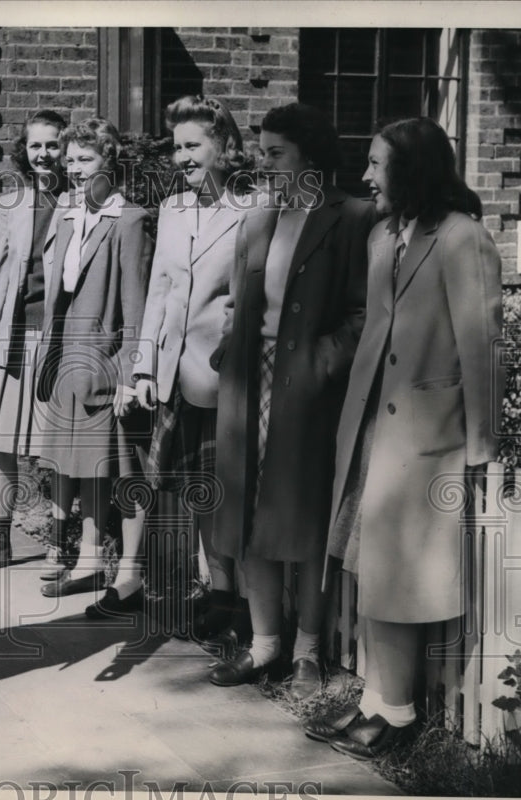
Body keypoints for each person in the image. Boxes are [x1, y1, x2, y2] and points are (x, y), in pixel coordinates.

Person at [304, 117, 503, 758]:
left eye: (376, 164)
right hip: (370, 423)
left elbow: (482, 347)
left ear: (411, 168)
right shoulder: (384, 233)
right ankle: (372, 701)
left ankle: (398, 712)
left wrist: (480, 445)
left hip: (425, 433)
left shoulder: (462, 237)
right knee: (367, 563)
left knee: (398, 573)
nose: (365, 176)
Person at [209, 103, 374, 699]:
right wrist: (230, 348)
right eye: (263, 150)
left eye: (276, 152)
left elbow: (365, 314)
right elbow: (237, 298)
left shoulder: (352, 216)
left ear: (308, 154)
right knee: (249, 512)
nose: (264, 161)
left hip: (306, 386)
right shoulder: (258, 217)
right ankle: (264, 647)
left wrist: (319, 363)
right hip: (250, 381)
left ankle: (307, 652)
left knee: (301, 519)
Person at [124, 96, 250, 627]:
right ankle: (217, 590)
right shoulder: (173, 209)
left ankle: (236, 597)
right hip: (176, 375)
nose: (182, 157)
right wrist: (144, 368)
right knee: (197, 489)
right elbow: (159, 291)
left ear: (223, 145)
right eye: (176, 148)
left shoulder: (255, 209)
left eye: (193, 145)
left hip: (227, 378)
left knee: (228, 490)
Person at [35, 117, 153, 606]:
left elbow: (137, 306)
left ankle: (131, 572)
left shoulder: (130, 219)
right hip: (69, 361)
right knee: (84, 466)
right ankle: (87, 559)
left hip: (108, 364)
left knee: (124, 468)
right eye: (71, 161)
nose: (76, 170)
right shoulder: (65, 215)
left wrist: (130, 373)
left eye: (87, 159)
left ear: (110, 162)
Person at [0, 109, 67, 574]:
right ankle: (0, 542)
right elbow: (0, 276)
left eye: (52, 144)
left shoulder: (82, 200)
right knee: (1, 443)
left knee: (61, 446)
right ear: (24, 152)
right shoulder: (13, 201)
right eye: (35, 146)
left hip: (60, 339)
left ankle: (60, 543)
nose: (44, 154)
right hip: (13, 335)